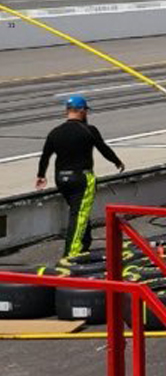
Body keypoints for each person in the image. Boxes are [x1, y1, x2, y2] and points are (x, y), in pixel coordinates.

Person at [35, 95, 125, 258]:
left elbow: (45, 156)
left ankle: (85, 243)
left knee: (79, 211)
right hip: (81, 179)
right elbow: (103, 149)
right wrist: (117, 161)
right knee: (79, 215)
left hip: (61, 179)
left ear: (67, 111)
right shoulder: (88, 130)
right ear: (82, 111)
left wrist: (41, 175)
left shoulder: (55, 132)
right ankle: (71, 254)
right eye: (86, 111)